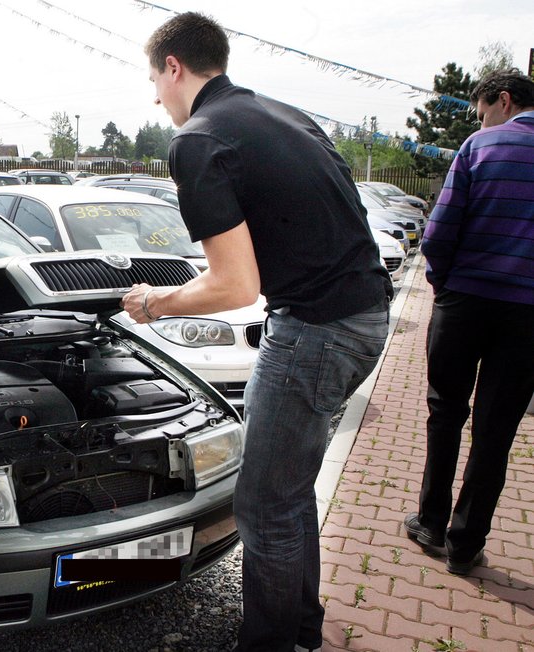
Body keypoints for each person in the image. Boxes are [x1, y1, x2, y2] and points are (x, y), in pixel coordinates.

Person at [121, 13, 392, 651]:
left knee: (264, 506)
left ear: (173, 68)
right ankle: (300, 631)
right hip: (366, 315)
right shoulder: (284, 114)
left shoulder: (198, 138)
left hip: (316, 331)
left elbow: (235, 287)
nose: (155, 97)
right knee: (289, 492)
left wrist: (156, 302)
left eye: (153, 80)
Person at [404, 69, 534, 576]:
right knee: (496, 430)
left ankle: (431, 522)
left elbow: (438, 232)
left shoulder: (480, 147)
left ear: (503, 101)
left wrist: (443, 286)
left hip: (465, 302)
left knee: (445, 410)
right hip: (528, 316)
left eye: (482, 111)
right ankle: (465, 544)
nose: (480, 120)